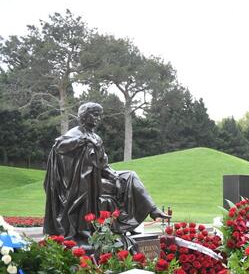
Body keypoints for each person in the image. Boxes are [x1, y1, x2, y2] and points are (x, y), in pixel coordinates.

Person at [43, 102, 168, 245]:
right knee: (89, 182)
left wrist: (114, 176)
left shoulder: (96, 138)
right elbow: (58, 146)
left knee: (130, 176)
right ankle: (88, 229)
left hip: (97, 176)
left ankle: (152, 209)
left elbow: (103, 165)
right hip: (80, 182)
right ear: (84, 116)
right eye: (95, 115)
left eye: (99, 116)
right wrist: (83, 140)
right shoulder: (75, 133)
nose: (98, 118)